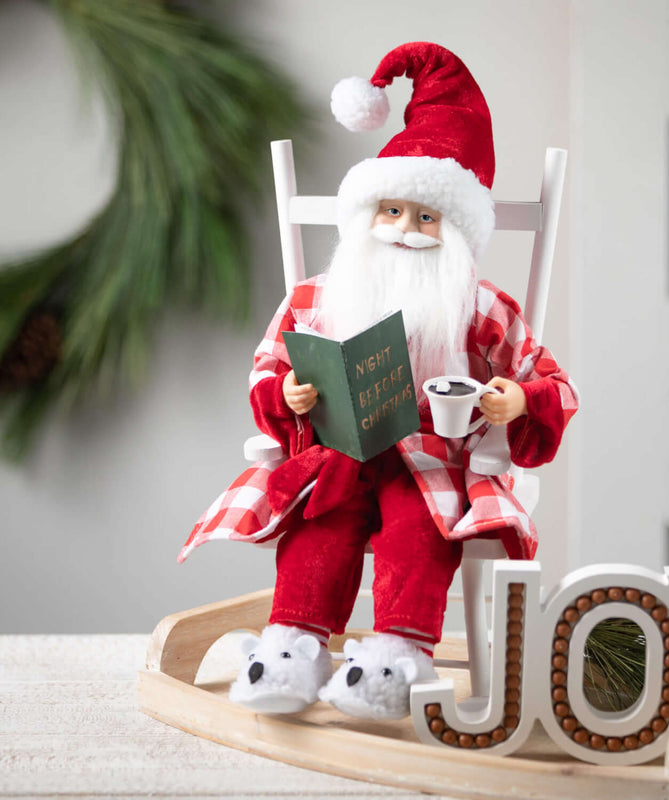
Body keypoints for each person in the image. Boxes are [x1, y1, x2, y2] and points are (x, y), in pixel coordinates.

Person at [180, 42, 578, 718]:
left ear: (456, 231)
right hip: (338, 444)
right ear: (366, 218)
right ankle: (292, 648)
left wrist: (516, 398)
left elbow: (551, 381)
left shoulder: (480, 307)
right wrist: (287, 394)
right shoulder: (320, 295)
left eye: (428, 218)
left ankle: (395, 655)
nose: (407, 231)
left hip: (432, 458)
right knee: (321, 519)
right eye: (392, 212)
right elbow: (270, 364)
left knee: (418, 529)